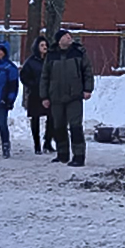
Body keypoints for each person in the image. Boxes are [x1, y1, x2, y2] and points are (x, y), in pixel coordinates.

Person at [40, 29, 95, 167]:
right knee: (59, 126)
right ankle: (62, 154)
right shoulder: (51, 55)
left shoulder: (78, 52)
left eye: (70, 36)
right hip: (56, 97)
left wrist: (88, 89)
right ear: (59, 40)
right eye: (66, 36)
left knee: (75, 127)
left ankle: (79, 156)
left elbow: (87, 71)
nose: (69, 38)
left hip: (74, 95)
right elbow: (45, 77)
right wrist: (44, 96)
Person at [19, 35, 55, 155]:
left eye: (45, 45)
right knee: (35, 118)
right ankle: (37, 144)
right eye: (42, 45)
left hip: (49, 93)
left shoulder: (50, 59)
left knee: (52, 117)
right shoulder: (31, 61)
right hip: (35, 93)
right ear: (37, 47)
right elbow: (24, 76)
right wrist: (33, 84)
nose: (44, 47)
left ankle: (48, 142)